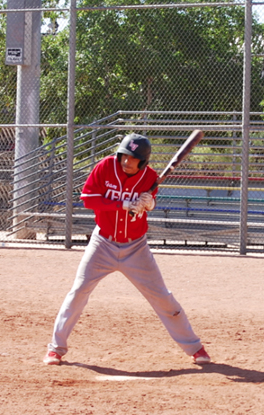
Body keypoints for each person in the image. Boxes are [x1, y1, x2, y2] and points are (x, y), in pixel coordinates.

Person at [43, 133, 210, 366]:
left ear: (142, 161)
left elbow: (149, 200)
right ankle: (55, 349)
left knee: (162, 297)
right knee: (78, 292)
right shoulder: (104, 168)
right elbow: (88, 199)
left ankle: (196, 348)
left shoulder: (150, 177)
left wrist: (148, 203)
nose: (126, 161)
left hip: (136, 248)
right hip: (102, 243)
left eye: (132, 158)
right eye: (124, 155)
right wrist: (122, 204)